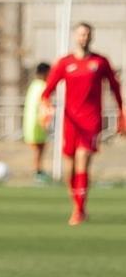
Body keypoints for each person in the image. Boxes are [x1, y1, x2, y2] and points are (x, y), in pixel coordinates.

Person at [41, 22, 126, 226]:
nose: (84, 37)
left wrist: (121, 112)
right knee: (69, 170)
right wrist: (46, 107)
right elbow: (47, 90)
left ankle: (79, 210)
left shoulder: (100, 62)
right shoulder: (65, 63)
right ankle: (77, 204)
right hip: (70, 122)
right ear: (75, 37)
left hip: (91, 121)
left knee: (82, 158)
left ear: (91, 37)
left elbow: (115, 88)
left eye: (87, 34)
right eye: (81, 34)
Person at [23, 62, 51, 184]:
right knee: (38, 148)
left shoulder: (34, 85)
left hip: (30, 121)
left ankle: (39, 171)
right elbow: (43, 105)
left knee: (39, 148)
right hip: (37, 122)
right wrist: (45, 119)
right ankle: (37, 172)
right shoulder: (43, 86)